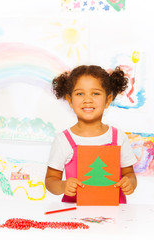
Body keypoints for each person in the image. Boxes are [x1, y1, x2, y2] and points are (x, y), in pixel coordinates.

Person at [45, 65, 137, 204]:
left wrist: (129, 183)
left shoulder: (118, 137)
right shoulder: (63, 140)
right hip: (74, 212)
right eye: (80, 93)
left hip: (114, 214)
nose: (87, 99)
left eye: (95, 93)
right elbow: (50, 180)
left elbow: (129, 174)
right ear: (70, 100)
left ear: (107, 100)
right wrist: (63, 186)